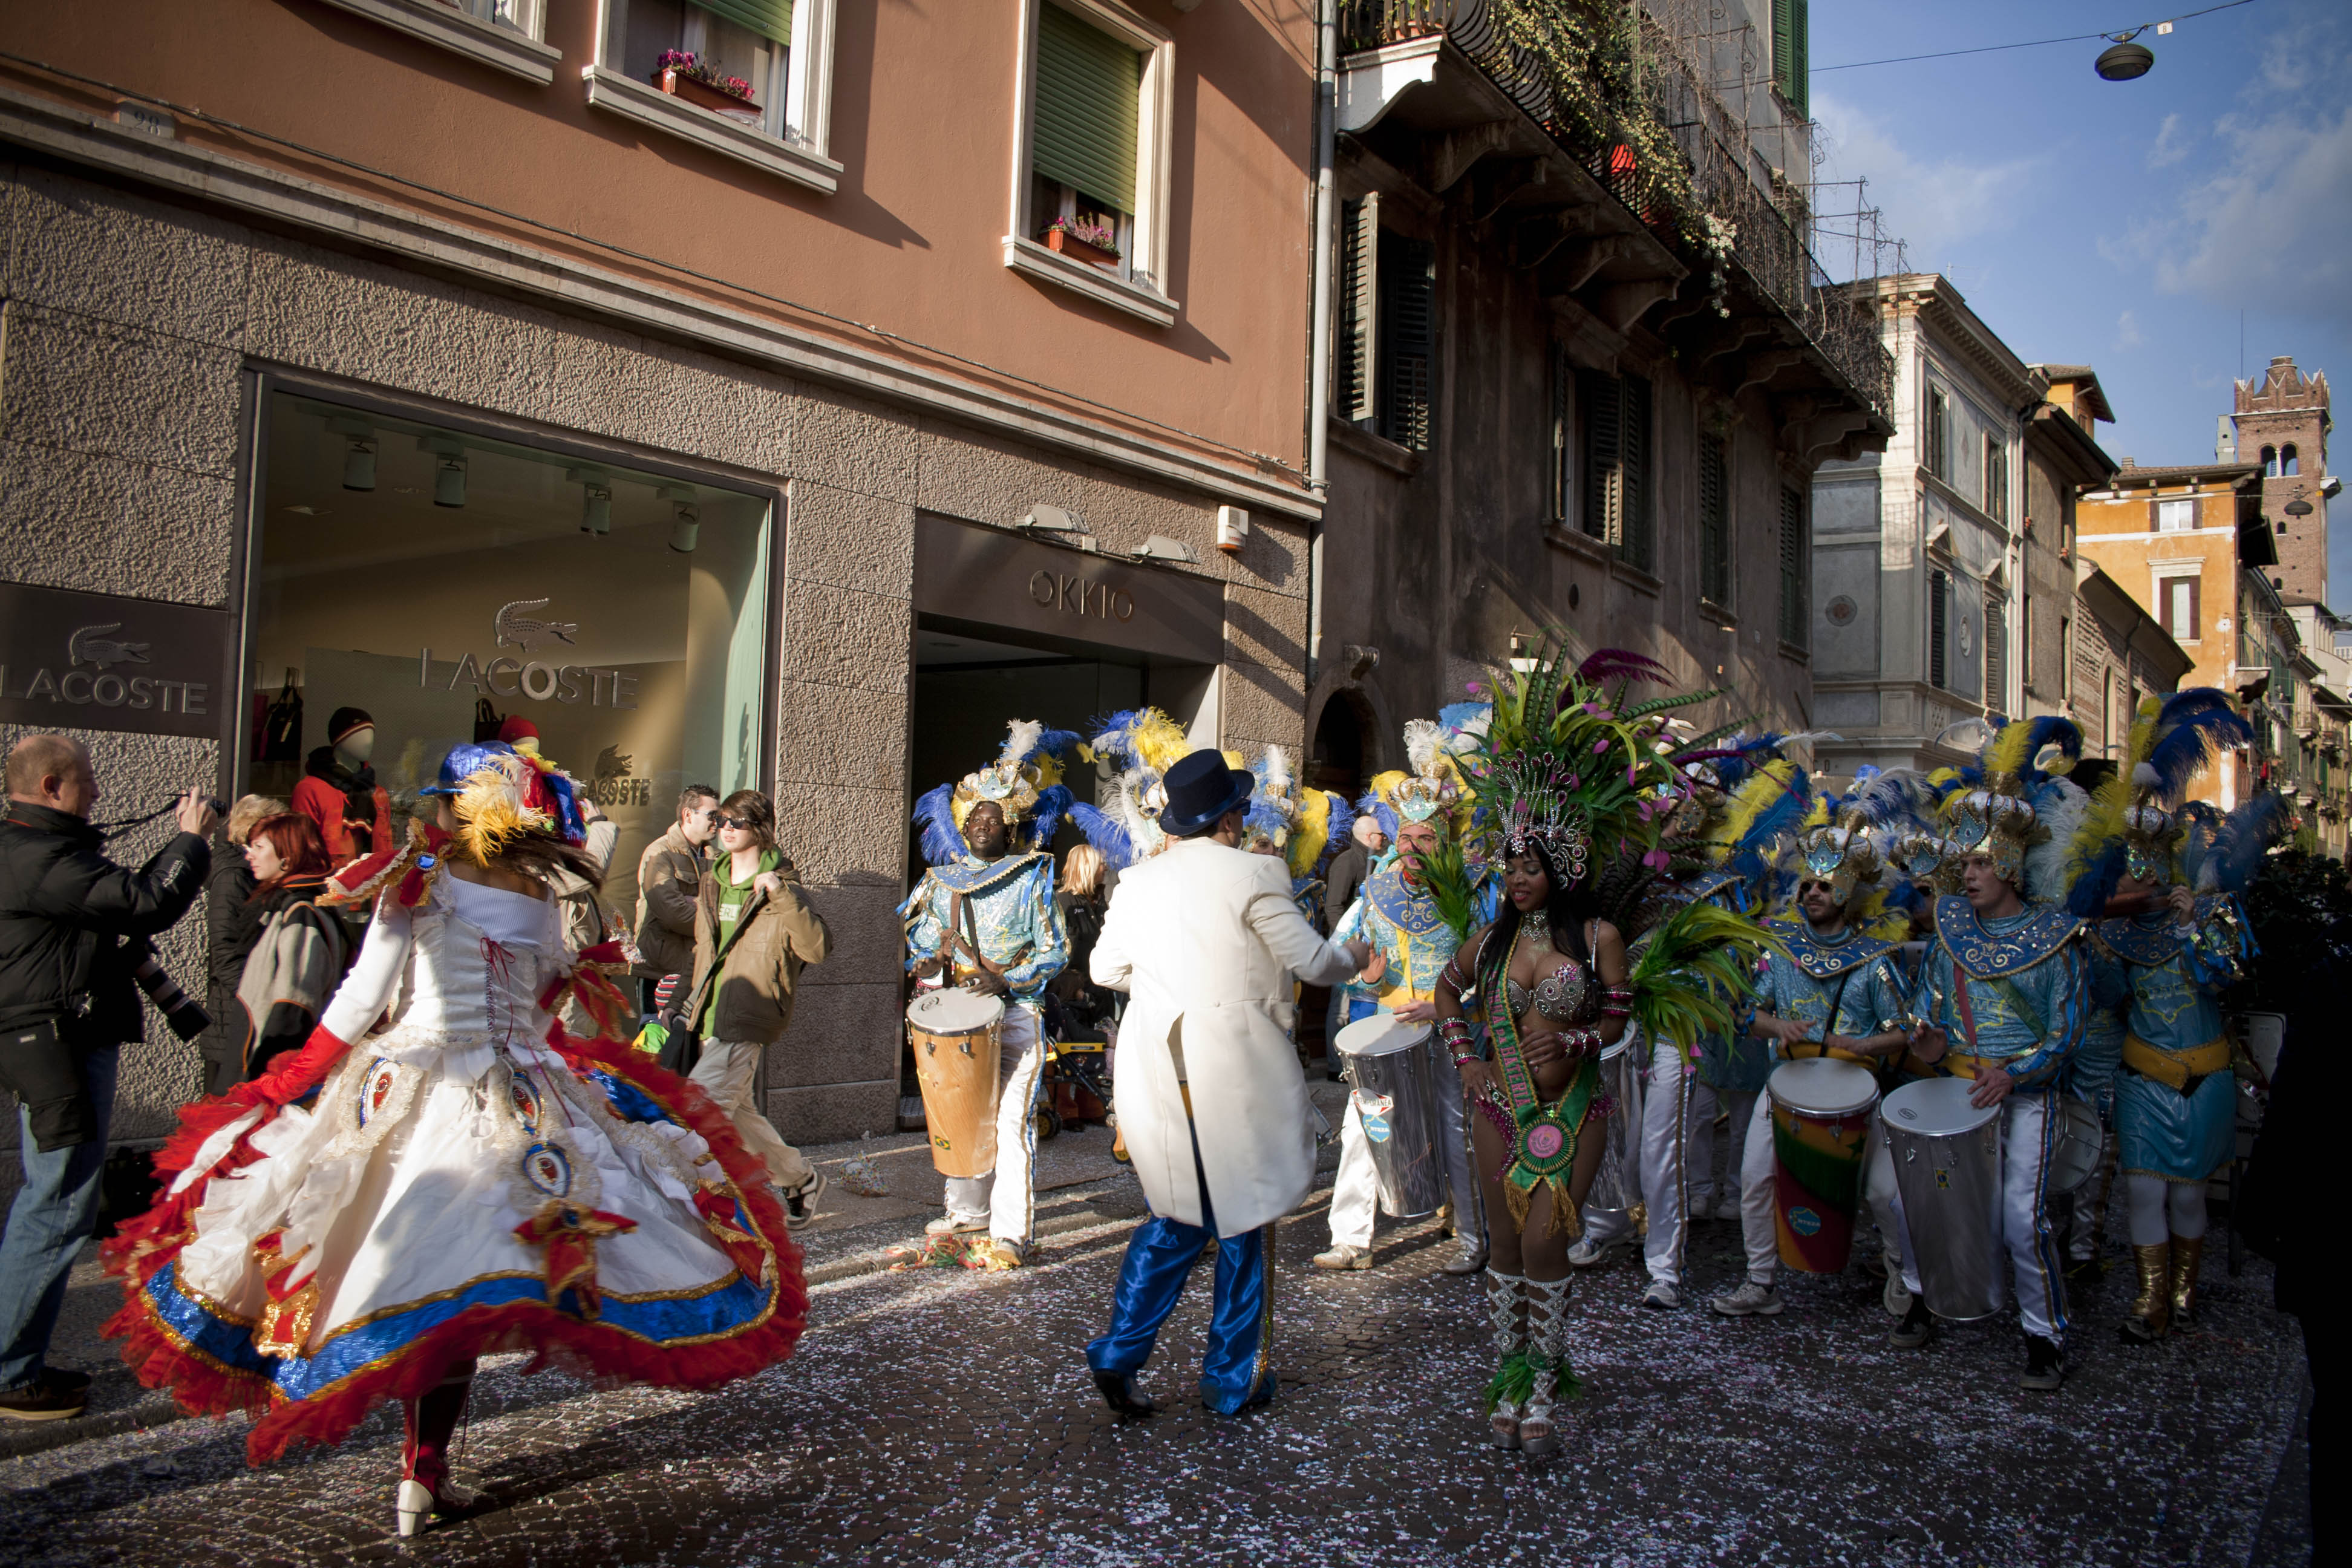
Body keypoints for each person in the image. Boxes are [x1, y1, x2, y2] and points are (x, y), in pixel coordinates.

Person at [102, 741, 804, 1532]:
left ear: (454, 810)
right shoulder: (538, 892)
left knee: (399, 1271)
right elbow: (543, 1008)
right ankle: (423, 1472)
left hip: (417, 1086)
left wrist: (292, 1080)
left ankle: (418, 1476)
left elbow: (364, 996)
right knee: (474, 1279)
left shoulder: (419, 882)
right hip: (524, 1092)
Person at [1083, 748, 1369, 1417]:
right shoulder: (1256, 873)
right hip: (1231, 1069)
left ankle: (1120, 1352)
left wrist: (1168, 988)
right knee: (1244, 1218)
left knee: (1178, 1214)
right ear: (1233, 819)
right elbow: (1313, 961)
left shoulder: (1139, 882)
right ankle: (1232, 1379)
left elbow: (1103, 969)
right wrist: (1355, 958)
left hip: (1158, 1062)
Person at [0, 734, 214, 1424]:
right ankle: (9, 1371)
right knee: (59, 1201)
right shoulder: (37, 857)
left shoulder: (41, 850)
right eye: (87, 781)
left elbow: (121, 900)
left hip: (58, 1036)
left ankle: (17, 1359)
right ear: (53, 786)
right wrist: (190, 842)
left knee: (54, 1196)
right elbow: (145, 905)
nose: (98, 791)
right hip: (57, 1041)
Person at [1894, 721, 2093, 1391]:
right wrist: (1926, 1043)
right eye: (1964, 865)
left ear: (2008, 865)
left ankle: (2044, 1335)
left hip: (2026, 1098)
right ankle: (1925, 1297)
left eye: (1978, 864)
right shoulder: (1950, 938)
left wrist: (2016, 1073)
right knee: (1925, 1200)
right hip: (1958, 1093)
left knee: (2018, 1217)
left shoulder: (2056, 939)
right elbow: (1935, 1017)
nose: (1967, 875)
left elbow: (2065, 1032)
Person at [2082, 691, 2265, 1341]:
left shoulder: (2210, 914)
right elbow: (2106, 996)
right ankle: (2150, 1300)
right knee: (2142, 1191)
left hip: (2205, 1078)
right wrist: (2096, 942)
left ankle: (2184, 1292)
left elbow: (2230, 978)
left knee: (2187, 1195)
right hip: (2142, 1078)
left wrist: (2194, 927)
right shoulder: (2123, 933)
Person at [1711, 803, 1913, 1321]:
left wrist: (1866, 1045)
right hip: (1785, 1082)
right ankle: (1760, 1281)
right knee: (1757, 1177)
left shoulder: (1874, 957)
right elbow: (1745, 1012)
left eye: (1824, 886)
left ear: (1846, 891)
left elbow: (1907, 1028)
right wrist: (1777, 1027)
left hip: (1857, 1090)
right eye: (1807, 886)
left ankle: (1900, 1269)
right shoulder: (1780, 947)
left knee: (1883, 1192)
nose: (1813, 894)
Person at [903, 720, 1074, 1267]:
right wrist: (927, 963)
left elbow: (1057, 951)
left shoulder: (1031, 878)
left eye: (993, 818)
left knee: (1009, 1123)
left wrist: (1008, 979)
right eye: (975, 816)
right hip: (956, 1017)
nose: (982, 824)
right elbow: (919, 943)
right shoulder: (939, 881)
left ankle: (1008, 1233)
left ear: (1011, 827)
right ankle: (965, 1215)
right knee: (958, 1112)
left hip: (1018, 1014)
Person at [1319, 719, 1487, 1277]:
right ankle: (1349, 1239)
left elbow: (1494, 969)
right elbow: (1338, 955)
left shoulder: (1469, 897)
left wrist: (1446, 1007)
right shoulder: (1372, 894)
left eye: (1427, 840)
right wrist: (1364, 979)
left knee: (1456, 1125)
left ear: (1445, 843)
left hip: (1449, 1033)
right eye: (1408, 839)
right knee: (1362, 1128)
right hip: (1387, 1033)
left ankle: (1468, 1231)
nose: (1414, 850)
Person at [688, 789, 832, 1227]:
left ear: (760, 829)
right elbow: (702, 949)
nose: (726, 829)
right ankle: (800, 1179)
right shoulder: (711, 882)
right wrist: (685, 1004)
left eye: (737, 822)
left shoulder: (785, 887)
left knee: (695, 1113)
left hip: (748, 1015)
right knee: (742, 1115)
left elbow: (817, 948)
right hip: (710, 1013)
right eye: (722, 821)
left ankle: (692, 1208)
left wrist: (782, 897)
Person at [231, 812, 348, 1082]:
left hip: (270, 1066)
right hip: (257, 1052)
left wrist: (267, 1077)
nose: (249, 855)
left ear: (287, 857)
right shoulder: (281, 908)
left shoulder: (301, 913)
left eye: (259, 847)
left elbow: (295, 1002)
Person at [196, 794, 287, 1096]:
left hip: (248, 1017)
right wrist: (259, 1002)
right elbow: (225, 953)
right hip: (235, 1021)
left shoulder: (254, 874)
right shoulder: (234, 877)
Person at [639, 785, 719, 1012]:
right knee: (656, 1041)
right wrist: (713, 915)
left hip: (699, 969)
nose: (718, 822)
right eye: (712, 815)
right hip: (661, 970)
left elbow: (729, 905)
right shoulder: (660, 853)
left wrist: (694, 902)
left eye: (720, 816)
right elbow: (673, 915)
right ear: (688, 815)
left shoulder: (719, 859)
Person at [290, 705, 391, 864]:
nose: (367, 742)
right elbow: (302, 852)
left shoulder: (377, 793)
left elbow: (385, 849)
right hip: (331, 885)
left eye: (371, 736)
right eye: (358, 736)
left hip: (375, 884)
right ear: (339, 740)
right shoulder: (310, 789)